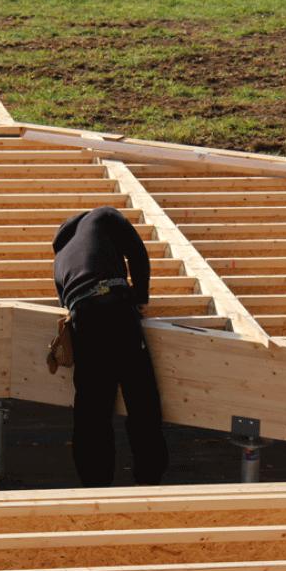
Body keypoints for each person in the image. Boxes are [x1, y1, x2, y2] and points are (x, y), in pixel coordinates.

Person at [52, 206, 168, 487]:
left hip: (85, 318)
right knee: (142, 401)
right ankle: (149, 482)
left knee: (92, 409)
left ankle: (96, 487)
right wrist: (140, 296)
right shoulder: (103, 216)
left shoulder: (60, 258)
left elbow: (67, 303)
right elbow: (138, 253)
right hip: (115, 307)